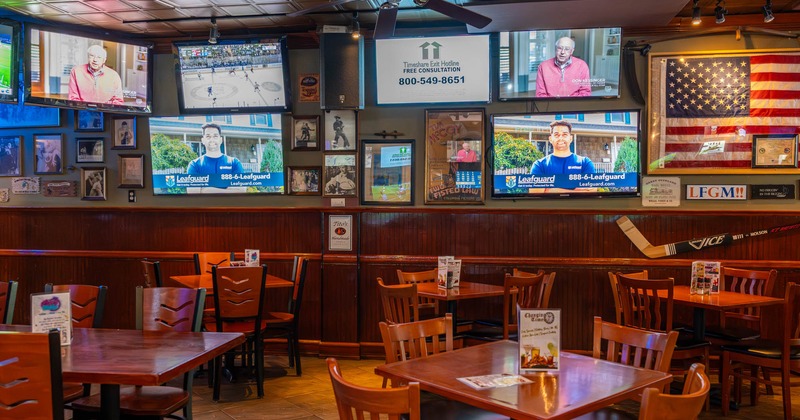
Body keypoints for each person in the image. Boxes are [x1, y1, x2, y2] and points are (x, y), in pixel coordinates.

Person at [186, 123, 246, 193]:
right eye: (208, 136)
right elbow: (193, 194)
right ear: (203, 140)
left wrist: (207, 190)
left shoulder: (234, 163)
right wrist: (229, 191)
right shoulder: (194, 165)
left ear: (220, 140)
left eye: (215, 136)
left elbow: (241, 191)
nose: (212, 140)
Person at [530, 120, 595, 175]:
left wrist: (549, 190)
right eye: (556, 135)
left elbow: (592, 189)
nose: (560, 138)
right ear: (550, 139)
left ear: (570, 138)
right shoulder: (540, 165)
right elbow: (535, 190)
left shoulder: (585, 163)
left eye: (564, 134)